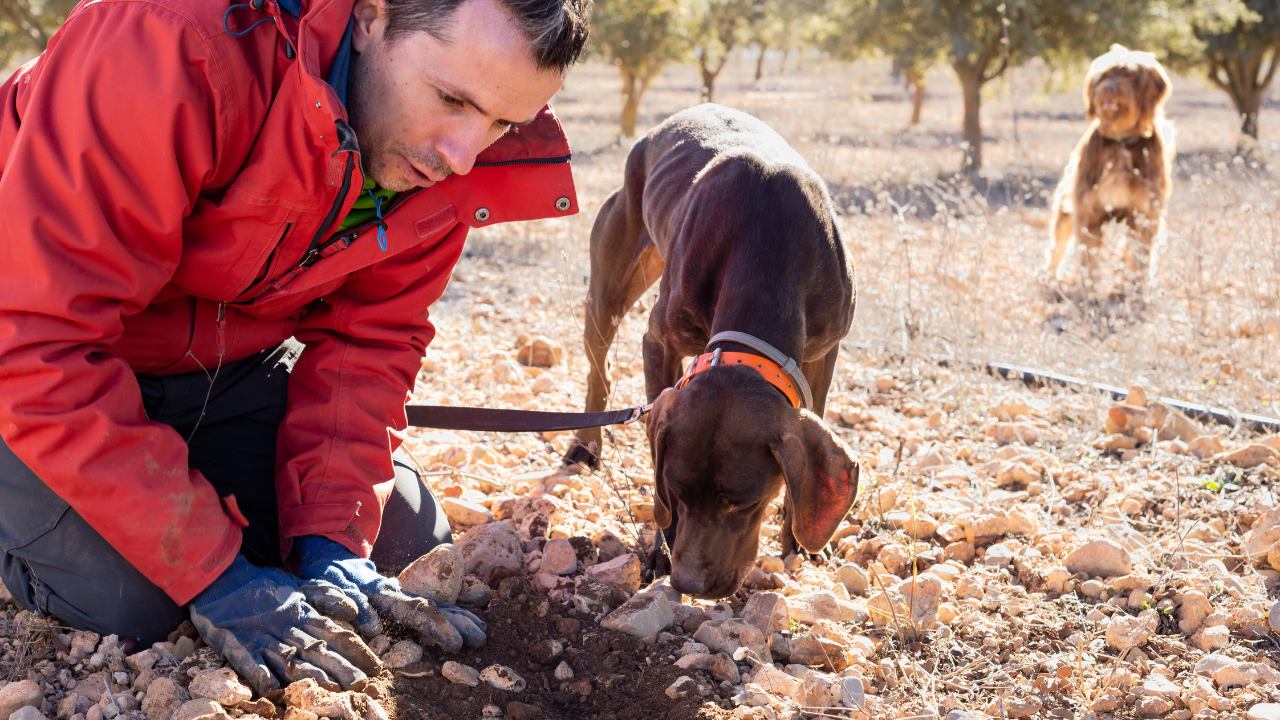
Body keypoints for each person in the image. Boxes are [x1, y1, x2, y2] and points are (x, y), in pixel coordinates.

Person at [0, 0, 588, 695]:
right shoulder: (167, 43)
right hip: (32, 354)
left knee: (395, 541)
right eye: (452, 98)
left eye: (500, 124)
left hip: (224, 366)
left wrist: (331, 542)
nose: (460, 157)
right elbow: (39, 339)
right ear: (372, 18)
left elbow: (370, 341)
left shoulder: (440, 156)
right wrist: (213, 572)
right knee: (144, 602)